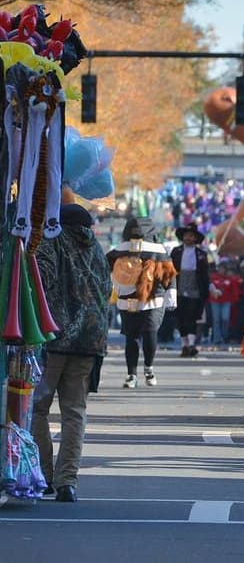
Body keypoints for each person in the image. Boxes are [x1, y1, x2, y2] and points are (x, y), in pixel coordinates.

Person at [31, 205, 112, 503]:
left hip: (52, 339)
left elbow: (41, 279)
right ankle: (68, 481)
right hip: (89, 341)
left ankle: (43, 475)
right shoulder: (97, 250)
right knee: (74, 412)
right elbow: (107, 289)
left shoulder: (51, 243)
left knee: (37, 408)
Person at [108, 218, 176, 388]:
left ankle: (148, 367)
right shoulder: (119, 250)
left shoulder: (157, 251)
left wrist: (171, 294)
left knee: (150, 332)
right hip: (127, 300)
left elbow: (169, 274)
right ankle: (131, 374)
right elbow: (104, 266)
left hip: (152, 299)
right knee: (131, 337)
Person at [170, 223, 211, 357]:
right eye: (186, 235)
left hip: (195, 288)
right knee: (180, 317)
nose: (188, 238)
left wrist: (209, 288)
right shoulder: (176, 252)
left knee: (192, 316)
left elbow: (205, 274)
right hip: (179, 287)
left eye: (191, 236)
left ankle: (192, 344)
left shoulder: (201, 254)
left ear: (195, 238)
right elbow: (170, 270)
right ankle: (184, 345)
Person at [207, 259, 243, 347]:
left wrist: (234, 301)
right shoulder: (213, 278)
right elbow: (209, 288)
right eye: (220, 268)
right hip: (215, 301)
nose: (221, 270)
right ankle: (217, 339)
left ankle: (224, 336)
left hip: (226, 302)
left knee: (225, 319)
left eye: (223, 268)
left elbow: (234, 291)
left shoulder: (230, 279)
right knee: (216, 320)